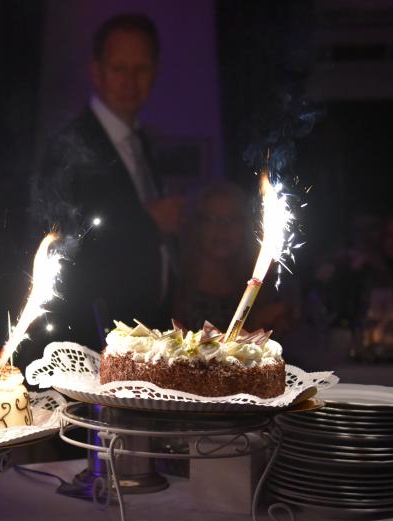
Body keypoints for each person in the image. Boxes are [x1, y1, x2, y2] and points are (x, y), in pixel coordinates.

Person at [32, 13, 183, 345]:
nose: (130, 81)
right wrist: (147, 220)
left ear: (155, 72)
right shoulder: (70, 144)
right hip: (92, 336)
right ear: (96, 71)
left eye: (141, 69)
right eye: (119, 68)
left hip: (142, 334)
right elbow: (63, 240)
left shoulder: (141, 140)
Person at [175, 182, 296, 333]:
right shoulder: (174, 281)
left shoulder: (256, 281)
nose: (222, 228)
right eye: (212, 219)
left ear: (244, 227)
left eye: (232, 219)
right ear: (198, 225)